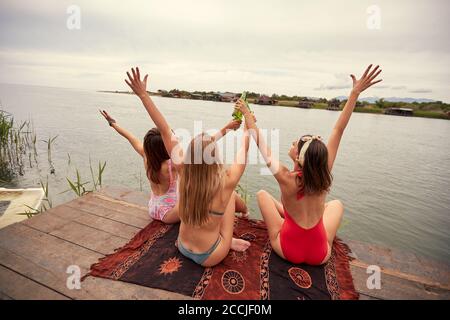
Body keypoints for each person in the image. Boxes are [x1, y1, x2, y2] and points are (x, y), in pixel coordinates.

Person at [237, 64, 382, 265]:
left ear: (298, 157)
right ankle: (297, 221)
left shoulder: (286, 178)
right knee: (336, 204)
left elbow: (260, 142)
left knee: (262, 195)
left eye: (295, 144)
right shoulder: (323, 172)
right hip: (320, 255)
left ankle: (285, 219)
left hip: (288, 251)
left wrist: (246, 113)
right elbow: (339, 130)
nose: (293, 143)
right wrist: (354, 94)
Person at [124, 67, 251, 267]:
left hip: (182, 246)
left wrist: (143, 95)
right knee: (229, 196)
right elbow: (244, 149)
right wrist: (248, 122)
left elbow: (164, 129)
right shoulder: (225, 182)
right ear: (215, 158)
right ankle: (228, 240)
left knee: (225, 197)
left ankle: (221, 236)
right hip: (210, 256)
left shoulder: (182, 169)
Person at [100, 108, 245, 224]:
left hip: (153, 209)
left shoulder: (147, 156)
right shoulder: (171, 165)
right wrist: (227, 128)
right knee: (210, 196)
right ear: (166, 148)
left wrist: (112, 123)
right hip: (170, 213)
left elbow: (130, 137)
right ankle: (231, 226)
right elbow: (200, 149)